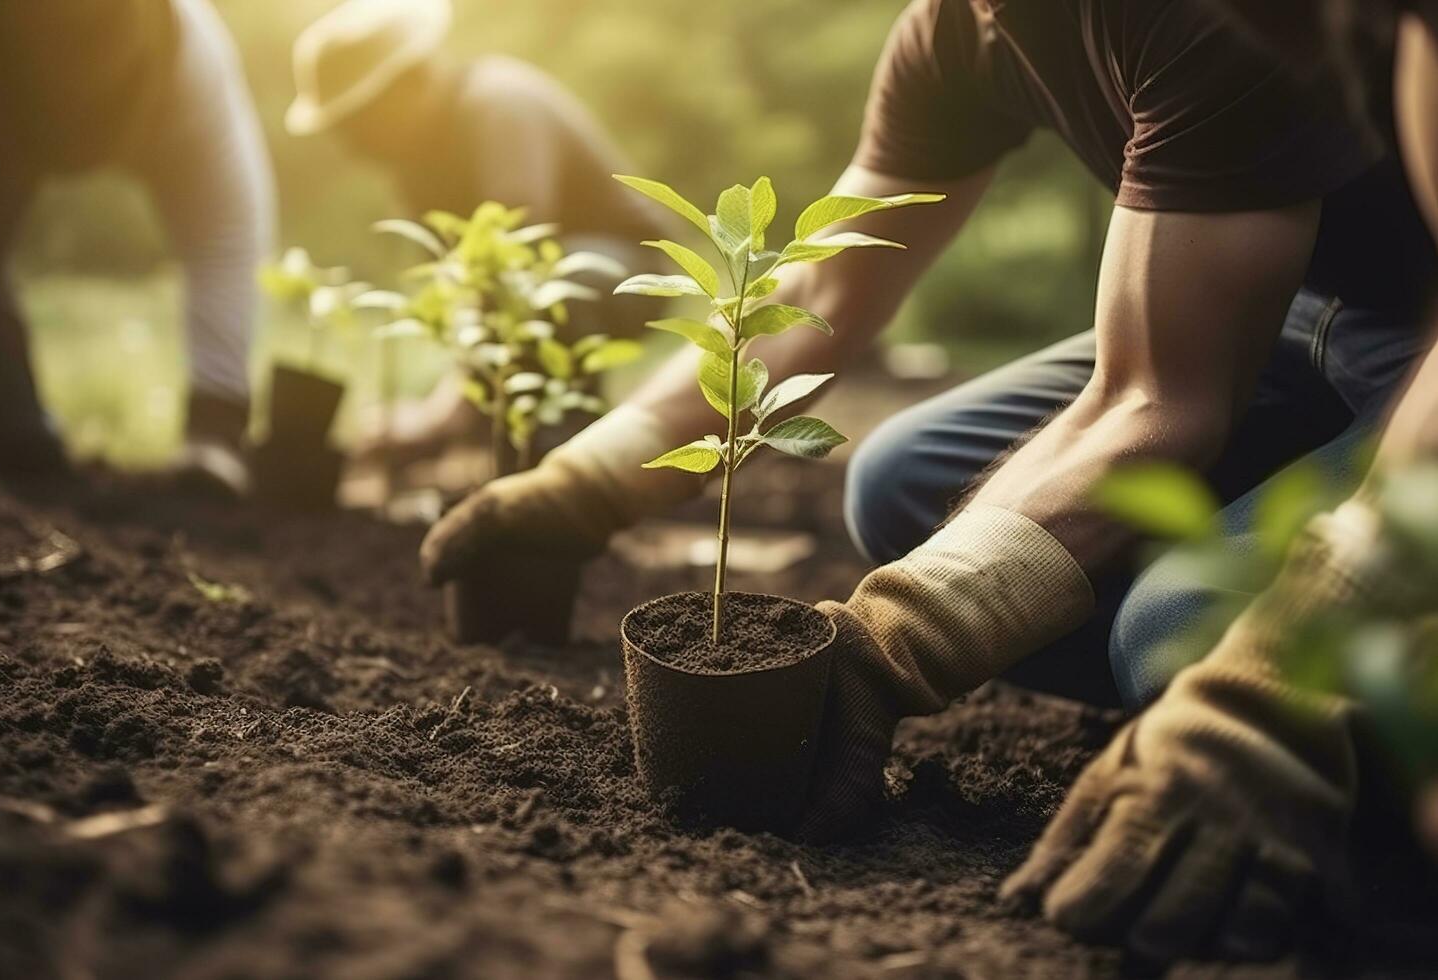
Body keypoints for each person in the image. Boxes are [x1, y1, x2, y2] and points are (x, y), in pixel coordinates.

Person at [418, 0, 1437, 959]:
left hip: (1414, 342)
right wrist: (584, 482)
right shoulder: (957, 31)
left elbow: (1155, 406)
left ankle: (1331, 737)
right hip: (1298, 307)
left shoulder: (1191, 16)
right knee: (903, 483)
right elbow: (819, 290)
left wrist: (898, 642)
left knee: (1178, 633)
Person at [1002, 0, 1438, 957]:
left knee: (1175, 633)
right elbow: (1152, 391)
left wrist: (1271, 689)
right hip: (1364, 333)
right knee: (913, 486)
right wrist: (918, 620)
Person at [285, 0, 670, 467]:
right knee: (535, 299)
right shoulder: (417, 163)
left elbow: (514, 263)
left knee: (556, 288)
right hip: (545, 280)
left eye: (357, 121)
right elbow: (468, 294)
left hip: (631, 271)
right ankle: (519, 453)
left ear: (409, 82)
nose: (351, 144)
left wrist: (441, 415)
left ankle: (569, 462)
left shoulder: (498, 105)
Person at [0, 0, 275, 495]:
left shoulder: (189, 67)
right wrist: (14, 418)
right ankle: (18, 422)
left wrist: (216, 419)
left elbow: (224, 237)